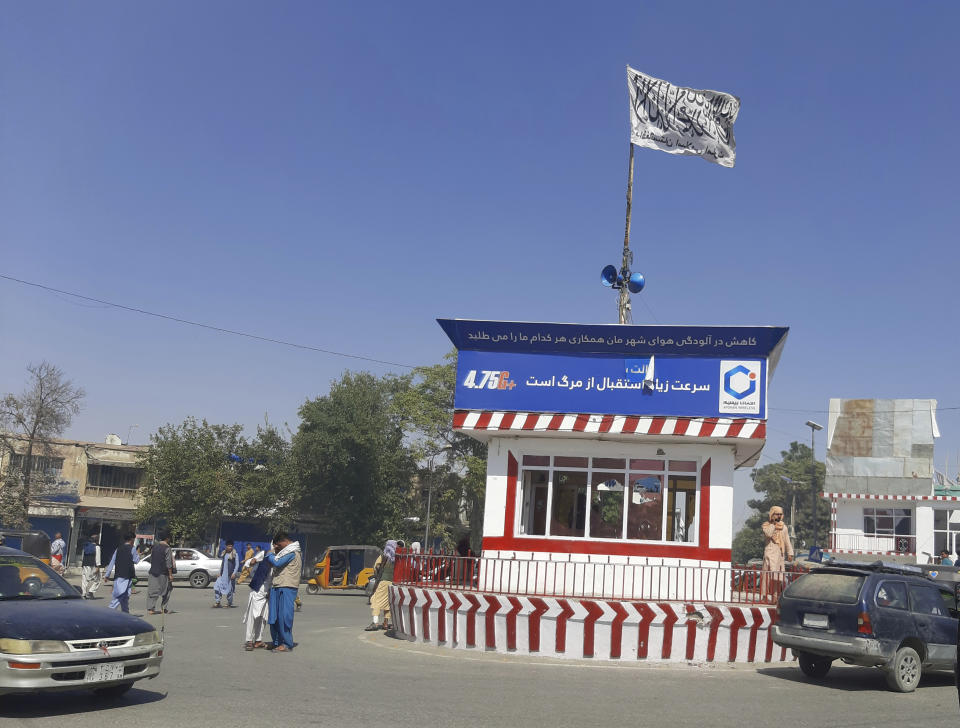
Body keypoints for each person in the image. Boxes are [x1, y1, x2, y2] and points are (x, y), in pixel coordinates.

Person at [264, 532, 302, 652]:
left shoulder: (293, 553)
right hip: (277, 585)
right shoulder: (283, 553)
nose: (277, 548)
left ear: (284, 541)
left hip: (287, 587)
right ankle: (276, 642)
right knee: (273, 617)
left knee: (284, 617)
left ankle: (287, 643)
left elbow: (277, 562)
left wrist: (269, 554)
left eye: (278, 546)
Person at [240, 540, 274, 650]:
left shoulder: (280, 559)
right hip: (257, 589)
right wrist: (252, 561)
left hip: (268, 592)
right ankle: (249, 640)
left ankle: (258, 640)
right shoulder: (264, 554)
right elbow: (249, 562)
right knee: (252, 616)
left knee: (263, 617)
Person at [761, 506, 794, 600]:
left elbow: (787, 540)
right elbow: (768, 534)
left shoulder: (784, 527)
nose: (779, 516)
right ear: (772, 514)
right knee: (766, 576)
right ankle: (764, 596)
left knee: (777, 577)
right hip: (769, 553)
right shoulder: (766, 525)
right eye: (777, 514)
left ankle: (775, 596)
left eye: (780, 514)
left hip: (780, 554)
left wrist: (790, 553)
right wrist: (773, 524)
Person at [365, 540, 397, 631]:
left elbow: (376, 567)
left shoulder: (383, 556)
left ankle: (375, 622)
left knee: (376, 601)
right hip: (392, 583)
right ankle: (386, 623)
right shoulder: (397, 558)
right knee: (387, 604)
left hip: (383, 582)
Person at [105, 532, 140, 613]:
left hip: (120, 575)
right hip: (126, 575)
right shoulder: (132, 548)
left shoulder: (118, 548)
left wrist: (107, 574)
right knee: (119, 596)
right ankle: (108, 613)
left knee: (125, 597)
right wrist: (137, 552)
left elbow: (112, 562)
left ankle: (126, 614)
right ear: (132, 539)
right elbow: (136, 560)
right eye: (134, 539)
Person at [147, 531, 174, 614]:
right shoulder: (167, 548)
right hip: (163, 573)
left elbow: (151, 559)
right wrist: (170, 575)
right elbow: (168, 563)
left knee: (152, 590)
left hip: (153, 572)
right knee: (167, 589)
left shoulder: (154, 547)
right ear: (167, 538)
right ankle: (164, 608)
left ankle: (151, 609)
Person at [213, 540, 242, 607]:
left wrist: (234, 573)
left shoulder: (235, 554)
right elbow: (222, 564)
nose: (230, 547)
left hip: (230, 575)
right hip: (222, 575)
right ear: (226, 546)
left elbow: (237, 565)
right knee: (217, 587)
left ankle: (229, 603)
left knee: (229, 590)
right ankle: (217, 602)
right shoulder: (224, 553)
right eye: (229, 546)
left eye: (231, 546)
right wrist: (219, 573)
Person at [80, 533, 102, 599]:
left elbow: (83, 556)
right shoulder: (97, 547)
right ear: (97, 540)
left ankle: (83, 594)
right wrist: (98, 566)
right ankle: (91, 591)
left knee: (84, 580)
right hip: (92, 565)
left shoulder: (86, 546)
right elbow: (97, 557)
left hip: (85, 564)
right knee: (98, 579)